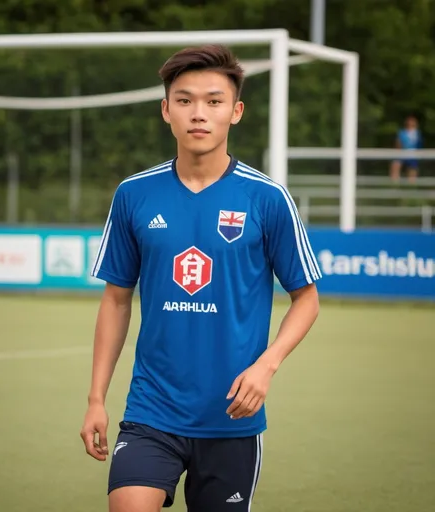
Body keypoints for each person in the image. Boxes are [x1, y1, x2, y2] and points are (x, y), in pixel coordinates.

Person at [80, 45, 322, 512]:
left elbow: (306, 298)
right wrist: (95, 398)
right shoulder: (134, 194)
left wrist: (266, 365)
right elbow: (115, 301)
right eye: (185, 100)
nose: (199, 113)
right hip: (151, 410)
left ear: (236, 112)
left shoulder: (268, 198)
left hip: (231, 416)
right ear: (166, 109)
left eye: (214, 101)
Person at [389, 114, 423, 183]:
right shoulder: (402, 133)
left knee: (412, 170)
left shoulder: (418, 133)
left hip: (413, 154)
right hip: (402, 153)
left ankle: (411, 185)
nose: (410, 123)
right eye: (409, 122)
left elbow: (420, 144)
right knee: (395, 165)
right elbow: (398, 143)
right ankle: (394, 183)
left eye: (412, 122)